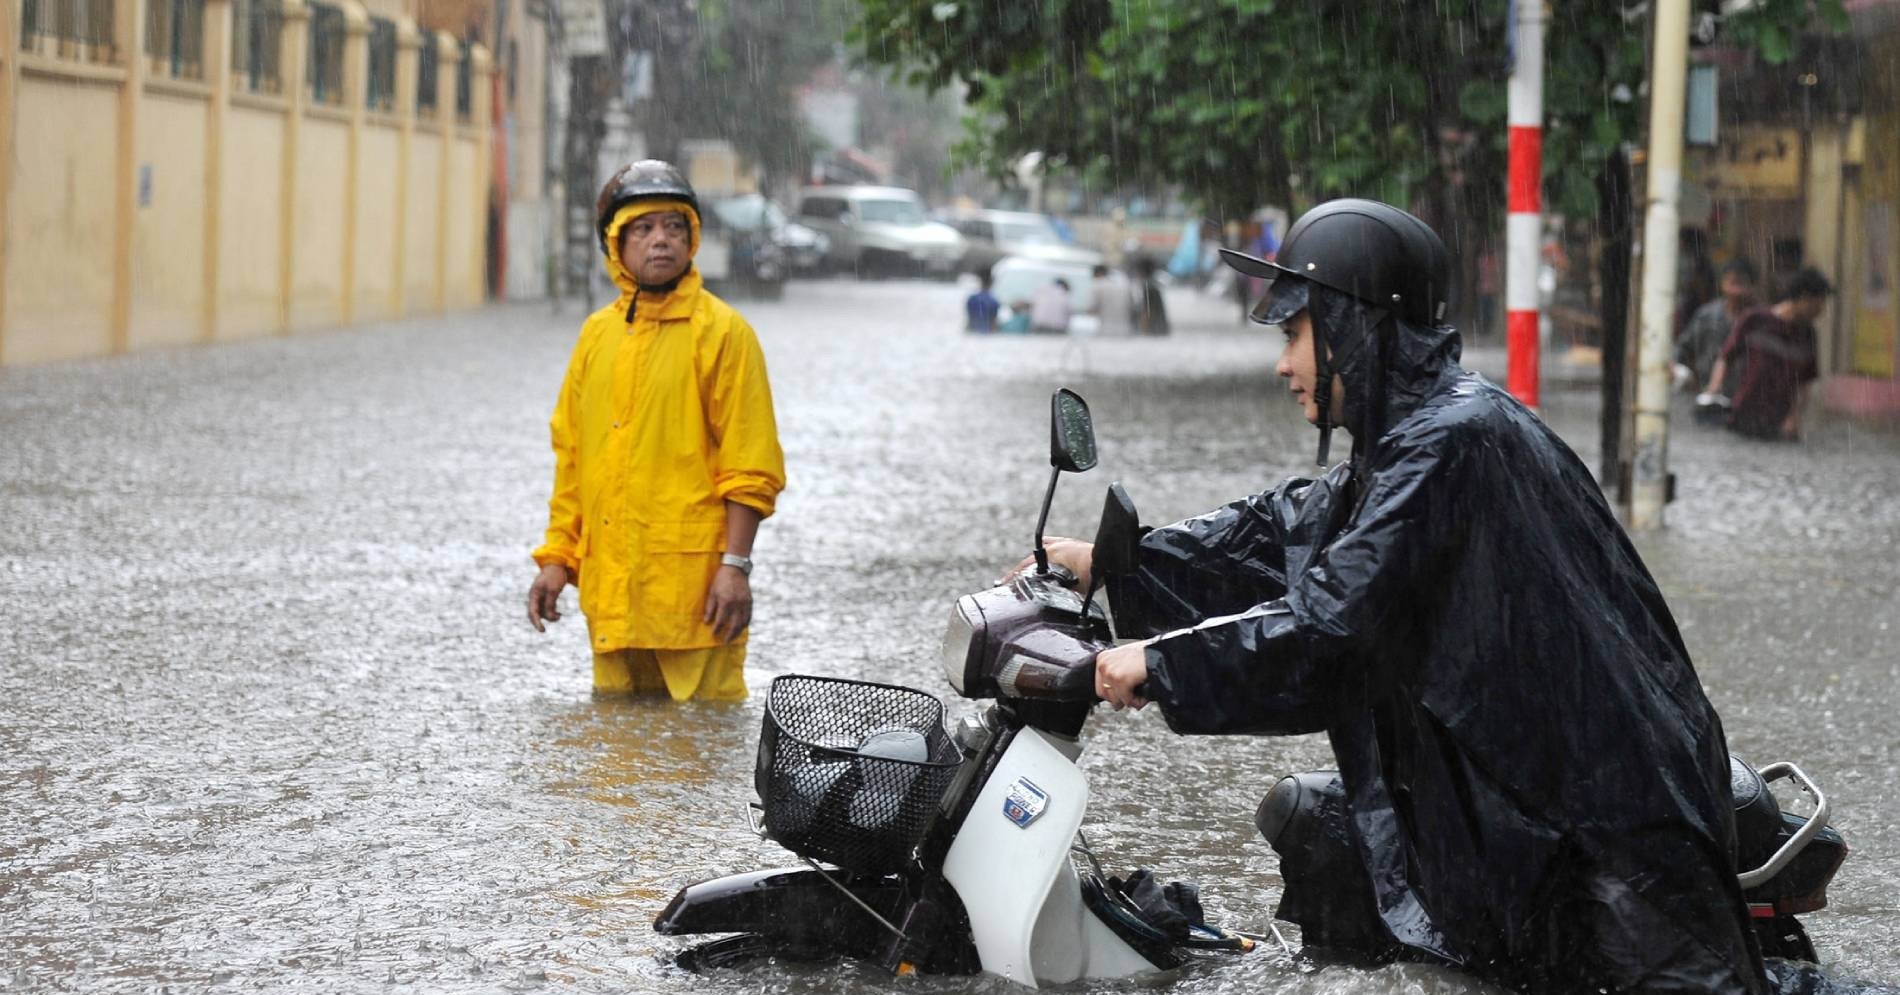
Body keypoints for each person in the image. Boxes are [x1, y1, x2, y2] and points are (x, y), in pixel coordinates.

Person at [1019, 200, 1768, 994]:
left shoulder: (1453, 440)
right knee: (1326, 838)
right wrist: (1117, 562)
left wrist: (1159, 663)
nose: (1283, 364)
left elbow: (1332, 627)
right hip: (1528, 803)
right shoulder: (1412, 439)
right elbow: (1282, 531)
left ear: (1356, 325)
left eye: (1292, 334)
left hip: (1610, 829)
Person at [527, 160, 787, 701]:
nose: (660, 241)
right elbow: (573, 461)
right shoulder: (596, 337)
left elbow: (751, 464)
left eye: (674, 226)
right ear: (616, 246)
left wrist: (734, 567)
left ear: (692, 238)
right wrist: (557, 560)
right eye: (642, 229)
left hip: (695, 597)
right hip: (611, 595)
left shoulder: (724, 334)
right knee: (618, 763)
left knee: (698, 753)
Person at [1705, 267, 1830, 442]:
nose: (1822, 310)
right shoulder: (1755, 320)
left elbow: (1804, 383)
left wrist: (1795, 417)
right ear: (1804, 298)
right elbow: (1726, 357)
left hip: (1776, 425)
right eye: (1819, 303)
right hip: (1739, 415)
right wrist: (1714, 389)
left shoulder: (1808, 335)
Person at [1677, 257, 1761, 398]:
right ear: (1722, 283)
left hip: (1747, 398)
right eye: (1733, 283)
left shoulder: (1761, 320)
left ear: (1752, 287)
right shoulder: (1706, 316)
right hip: (1707, 394)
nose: (1736, 291)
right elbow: (1683, 347)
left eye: (1742, 284)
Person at [1088, 264, 1132, 336]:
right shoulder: (1121, 286)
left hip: (1106, 329)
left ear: (1098, 273)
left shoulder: (1097, 285)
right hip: (1125, 328)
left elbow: (1091, 309)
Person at [1132, 256, 1170, 335]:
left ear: (1140, 271)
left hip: (1155, 331)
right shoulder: (1153, 285)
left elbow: (1147, 313)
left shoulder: (1147, 287)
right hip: (1161, 329)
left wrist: (1144, 332)